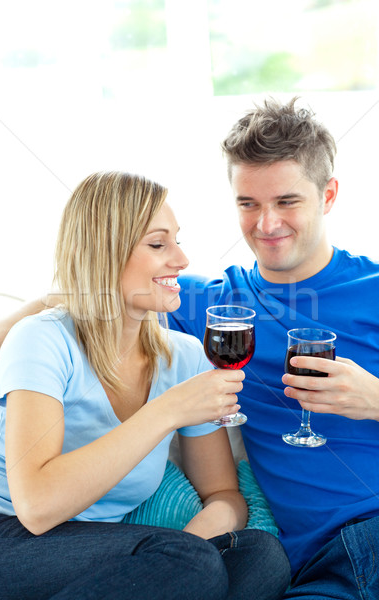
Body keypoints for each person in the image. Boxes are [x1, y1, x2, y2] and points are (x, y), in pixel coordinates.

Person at [0, 171, 290, 600]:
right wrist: (166, 411)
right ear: (105, 253)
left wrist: (195, 540)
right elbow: (36, 508)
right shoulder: (42, 339)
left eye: (178, 241)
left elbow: (223, 494)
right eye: (159, 244)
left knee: (260, 555)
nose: (181, 259)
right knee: (191, 564)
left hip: (98, 548)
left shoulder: (183, 357)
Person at [168, 97, 379, 599]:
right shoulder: (217, 306)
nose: (266, 225)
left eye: (286, 202)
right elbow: (92, 296)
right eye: (248, 203)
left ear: (327, 195)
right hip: (308, 563)